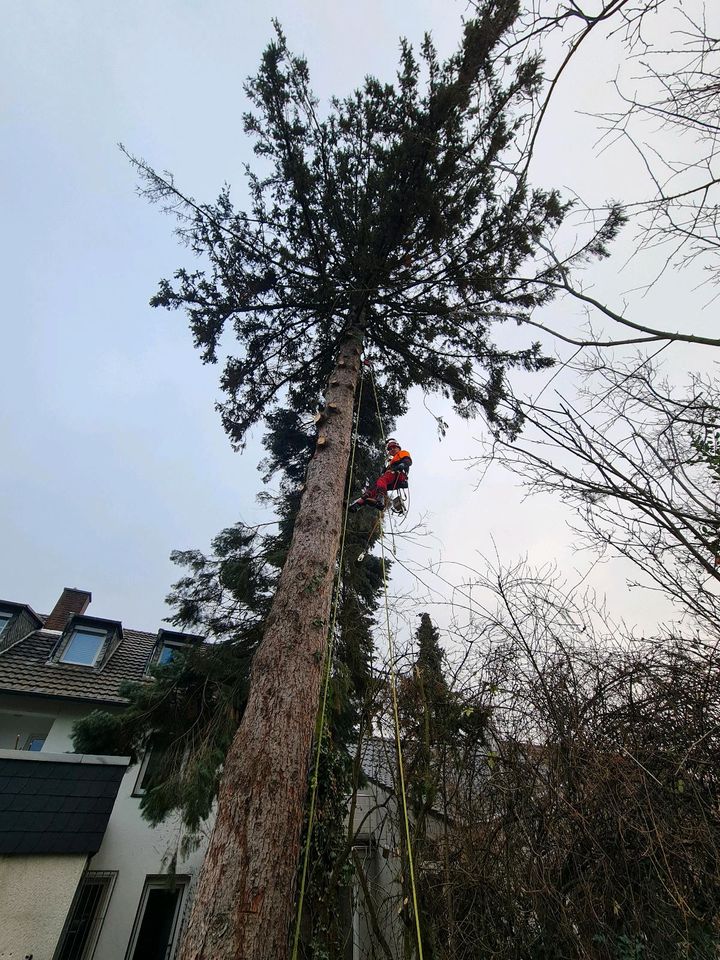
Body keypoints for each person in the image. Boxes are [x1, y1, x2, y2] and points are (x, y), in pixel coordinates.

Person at [349, 438, 412, 512]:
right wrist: (385, 469)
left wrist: (402, 464)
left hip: (399, 474)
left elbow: (408, 460)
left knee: (382, 480)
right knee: (373, 488)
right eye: (390, 449)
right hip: (392, 478)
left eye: (394, 447)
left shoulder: (402, 453)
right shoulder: (391, 461)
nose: (392, 449)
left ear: (398, 448)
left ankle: (380, 500)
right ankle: (357, 504)